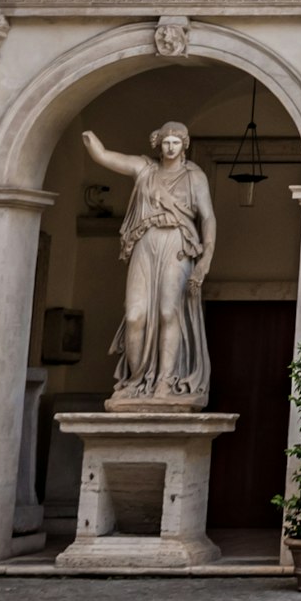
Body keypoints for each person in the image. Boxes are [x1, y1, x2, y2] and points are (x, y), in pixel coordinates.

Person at [75, 121, 216, 405]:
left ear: (184, 145)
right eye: (166, 141)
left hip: (177, 243)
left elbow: (208, 217)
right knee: (135, 316)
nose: (171, 146)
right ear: (158, 143)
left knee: (168, 312)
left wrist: (205, 260)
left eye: (176, 142)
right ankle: (137, 380)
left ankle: (164, 380)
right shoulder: (145, 169)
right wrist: (92, 142)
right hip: (145, 242)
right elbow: (106, 157)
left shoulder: (195, 176)